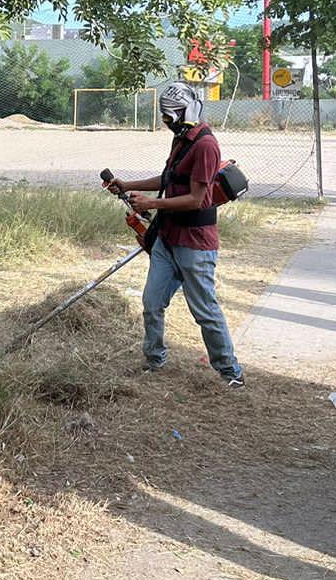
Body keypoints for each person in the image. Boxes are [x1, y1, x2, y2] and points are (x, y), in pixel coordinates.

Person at [104, 83, 244, 387]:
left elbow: (198, 199)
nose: (169, 122)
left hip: (194, 244)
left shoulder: (206, 145)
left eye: (173, 116)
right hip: (167, 239)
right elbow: (169, 178)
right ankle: (155, 360)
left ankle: (230, 372)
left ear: (188, 110)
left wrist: (152, 203)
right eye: (166, 116)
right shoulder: (181, 141)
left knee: (204, 311)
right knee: (152, 304)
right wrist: (128, 186)